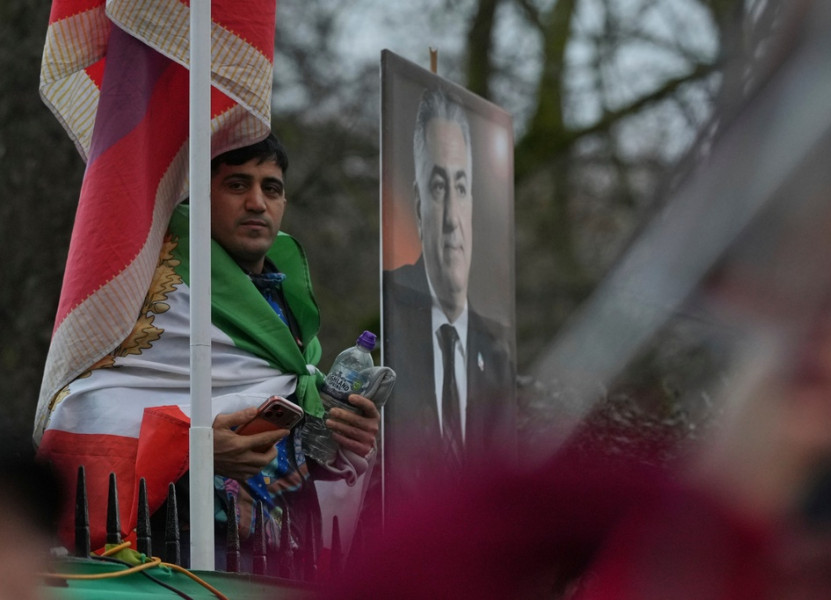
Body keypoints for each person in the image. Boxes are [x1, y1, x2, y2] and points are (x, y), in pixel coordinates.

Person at [34, 134, 380, 566]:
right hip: (173, 552)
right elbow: (81, 405)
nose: (257, 202)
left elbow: (290, 442)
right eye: (237, 185)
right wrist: (193, 450)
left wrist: (347, 440)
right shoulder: (149, 291)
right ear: (197, 198)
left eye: (271, 188)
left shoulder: (293, 315)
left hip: (284, 553)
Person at [382, 87, 516, 503]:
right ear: (420, 207)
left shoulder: (495, 352)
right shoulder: (386, 310)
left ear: (473, 202)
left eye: (461, 188)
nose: (453, 221)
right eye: (439, 189)